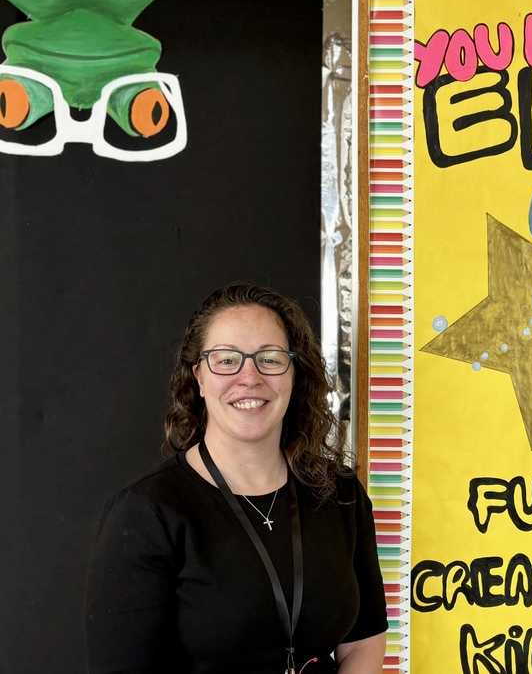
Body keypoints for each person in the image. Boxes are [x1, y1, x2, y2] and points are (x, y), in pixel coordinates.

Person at [86, 283, 387, 674]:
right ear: (199, 377)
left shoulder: (340, 494)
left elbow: (363, 643)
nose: (250, 377)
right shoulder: (147, 512)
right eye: (227, 360)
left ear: (295, 373)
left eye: (270, 358)